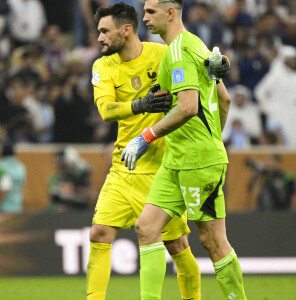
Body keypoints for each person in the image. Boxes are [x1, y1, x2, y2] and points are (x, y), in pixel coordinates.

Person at [122, 0, 247, 299]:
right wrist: (214, 136)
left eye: (151, 12)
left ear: (170, 12)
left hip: (196, 161)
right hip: (176, 159)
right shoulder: (197, 45)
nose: (144, 18)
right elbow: (224, 99)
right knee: (146, 227)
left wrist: (146, 136)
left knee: (213, 241)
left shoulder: (178, 50)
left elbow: (189, 107)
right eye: (144, 11)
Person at [86, 3, 200, 299]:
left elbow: (199, 62)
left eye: (104, 31)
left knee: (177, 246)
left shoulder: (162, 53)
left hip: (162, 168)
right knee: (99, 233)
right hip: (124, 167)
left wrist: (219, 64)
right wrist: (140, 105)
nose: (99, 38)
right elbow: (106, 110)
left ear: (126, 30)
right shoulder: (104, 66)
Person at [0, 142, 26, 213]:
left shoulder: (1, 166)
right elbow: (22, 184)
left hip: (4, 207)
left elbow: (3, 189)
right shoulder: (21, 167)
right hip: (18, 206)